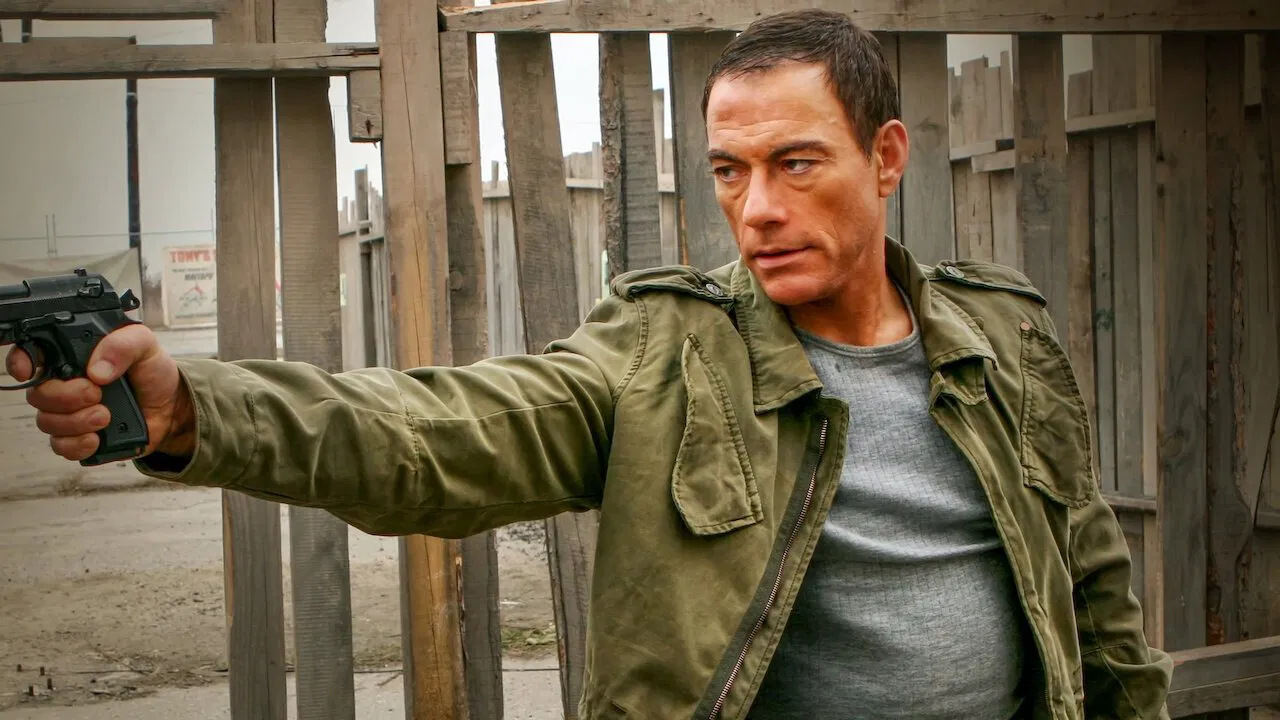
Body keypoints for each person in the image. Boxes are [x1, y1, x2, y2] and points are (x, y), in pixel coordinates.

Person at [8, 9, 1171, 720]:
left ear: (885, 157)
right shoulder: (664, 352)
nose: (755, 209)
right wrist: (192, 407)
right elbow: (436, 434)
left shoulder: (1000, 337)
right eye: (728, 171)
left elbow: (1094, 594)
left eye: (794, 163)